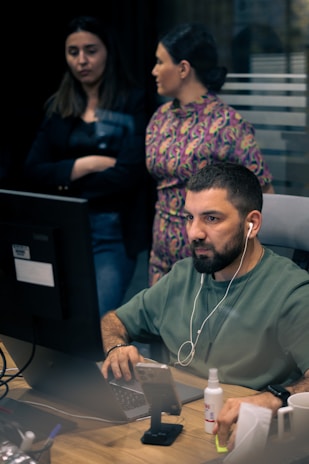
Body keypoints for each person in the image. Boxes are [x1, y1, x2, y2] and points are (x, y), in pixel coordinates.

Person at [100, 162, 309, 449]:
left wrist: (275, 397)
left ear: (252, 224)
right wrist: (116, 347)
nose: (194, 233)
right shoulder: (183, 275)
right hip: (175, 427)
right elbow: (114, 321)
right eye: (189, 218)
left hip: (237, 437)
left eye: (211, 218)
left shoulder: (291, 291)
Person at [23, 16, 151, 317]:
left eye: (91, 50)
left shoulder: (133, 102)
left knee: (98, 320)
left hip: (111, 229)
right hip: (62, 227)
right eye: (73, 52)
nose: (82, 60)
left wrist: (61, 176)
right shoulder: (60, 106)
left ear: (108, 51)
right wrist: (86, 164)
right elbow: (32, 171)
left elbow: (129, 174)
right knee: (59, 319)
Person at [145, 22, 275, 286]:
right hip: (161, 258)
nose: (154, 70)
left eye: (160, 62)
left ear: (183, 68)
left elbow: (264, 194)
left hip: (211, 264)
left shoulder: (228, 125)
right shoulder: (160, 118)